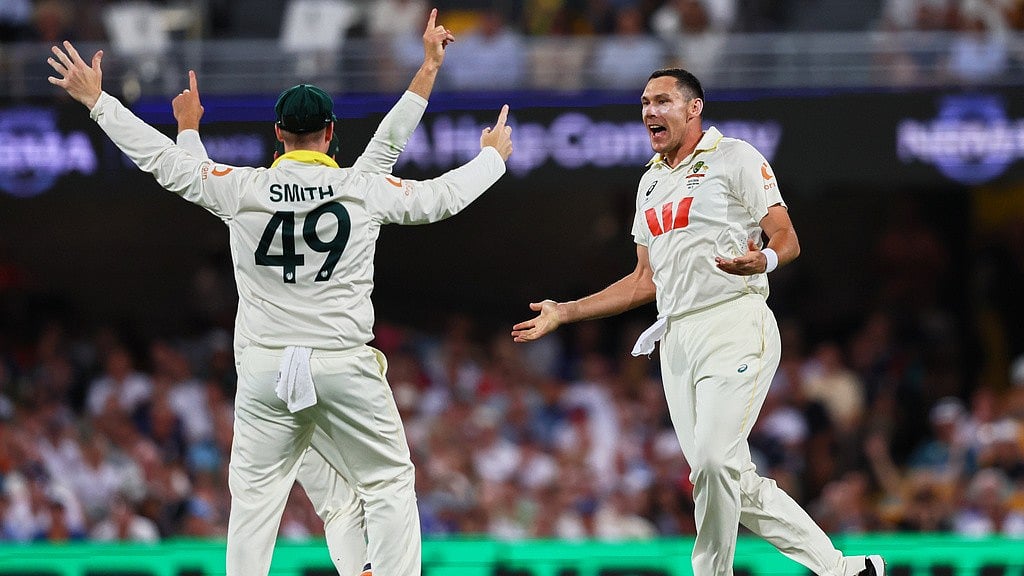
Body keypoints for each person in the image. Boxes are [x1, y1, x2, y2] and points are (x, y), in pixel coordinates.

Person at [46, 6, 513, 574]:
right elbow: (437, 197)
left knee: (256, 506)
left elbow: (166, 163)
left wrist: (103, 102)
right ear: (332, 133)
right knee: (386, 481)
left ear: (277, 134)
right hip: (341, 366)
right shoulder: (357, 189)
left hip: (267, 372)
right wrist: (489, 156)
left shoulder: (244, 189)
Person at [511, 68, 883, 576]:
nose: (648, 111)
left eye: (662, 101)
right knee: (727, 474)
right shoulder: (649, 182)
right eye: (644, 102)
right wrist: (566, 311)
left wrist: (766, 261)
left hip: (734, 321)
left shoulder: (735, 158)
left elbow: (787, 238)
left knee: (711, 461)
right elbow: (644, 280)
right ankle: (846, 570)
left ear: (694, 108)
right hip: (677, 337)